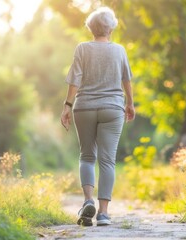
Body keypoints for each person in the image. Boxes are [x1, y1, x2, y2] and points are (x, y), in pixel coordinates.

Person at [60, 6, 135, 227]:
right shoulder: (119, 50)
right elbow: (126, 79)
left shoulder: (82, 48)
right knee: (107, 160)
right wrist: (130, 103)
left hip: (84, 107)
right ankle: (103, 214)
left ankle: (87, 201)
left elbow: (75, 79)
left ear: (91, 28)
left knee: (86, 156)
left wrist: (66, 105)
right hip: (112, 108)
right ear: (110, 28)